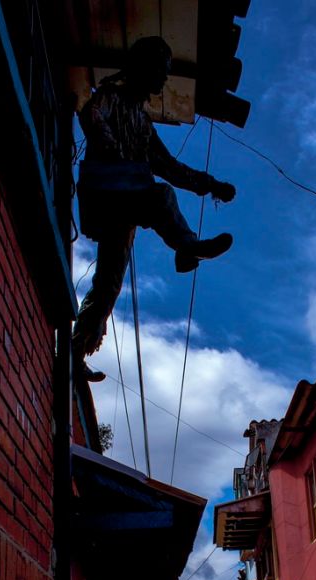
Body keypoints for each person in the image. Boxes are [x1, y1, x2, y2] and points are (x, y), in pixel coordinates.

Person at [74, 35, 237, 381]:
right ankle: (186, 248)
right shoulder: (111, 96)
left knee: (108, 284)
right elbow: (91, 115)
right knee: (160, 196)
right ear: (142, 68)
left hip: (125, 202)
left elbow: (169, 165)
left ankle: (77, 349)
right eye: (159, 72)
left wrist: (212, 186)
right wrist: (109, 146)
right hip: (107, 191)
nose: (163, 80)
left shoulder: (142, 123)